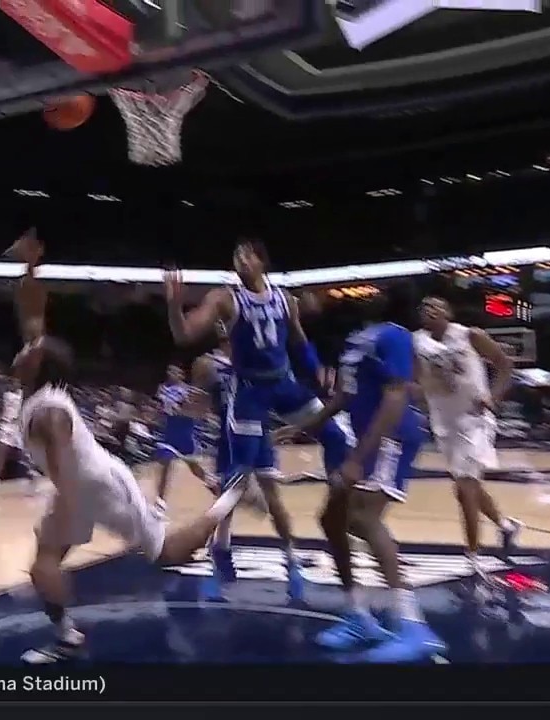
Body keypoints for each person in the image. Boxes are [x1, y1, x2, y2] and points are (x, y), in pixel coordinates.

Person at [6, 229, 254, 664]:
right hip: (74, 490)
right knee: (42, 564)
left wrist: (60, 501)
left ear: (39, 367)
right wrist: (30, 267)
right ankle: (68, 640)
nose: (21, 353)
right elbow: (32, 313)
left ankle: (228, 496)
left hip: (98, 485)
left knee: (164, 554)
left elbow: (64, 463)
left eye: (29, 352)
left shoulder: (48, 411)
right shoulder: (34, 385)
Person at [164, 239, 353, 598]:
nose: (239, 260)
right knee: (237, 478)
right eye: (234, 255)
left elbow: (299, 343)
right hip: (249, 394)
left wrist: (318, 376)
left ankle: (338, 513)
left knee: (335, 437)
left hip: (284, 384)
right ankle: (216, 551)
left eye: (246, 254)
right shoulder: (225, 298)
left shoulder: (285, 299)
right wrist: (174, 306)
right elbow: (184, 333)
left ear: (262, 261)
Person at [277, 283, 445, 662]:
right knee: (331, 520)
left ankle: (414, 626)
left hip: (391, 436)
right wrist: (308, 425)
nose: (372, 294)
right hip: (364, 437)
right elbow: (344, 396)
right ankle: (358, 616)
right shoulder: (357, 338)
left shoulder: (397, 336)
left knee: (363, 519)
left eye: (380, 293)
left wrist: (358, 458)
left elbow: (396, 396)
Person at [414, 296, 523, 573]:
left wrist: (493, 397)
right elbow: (415, 379)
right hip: (443, 422)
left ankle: (472, 557)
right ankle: (507, 526)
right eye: (425, 308)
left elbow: (505, 364)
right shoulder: (416, 343)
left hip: (474, 420)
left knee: (464, 490)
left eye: (436, 306)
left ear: (448, 312)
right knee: (469, 488)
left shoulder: (470, 335)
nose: (430, 310)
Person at [190, 323, 294, 600]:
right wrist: (193, 442)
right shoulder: (207, 364)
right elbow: (198, 404)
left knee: (273, 501)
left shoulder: (261, 357)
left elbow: (280, 393)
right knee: (227, 505)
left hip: (259, 435)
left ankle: (292, 563)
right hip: (229, 439)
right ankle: (220, 569)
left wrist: (290, 424)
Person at [152, 364, 212, 514]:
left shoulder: (189, 391)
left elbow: (197, 412)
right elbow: (160, 409)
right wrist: (160, 414)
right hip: (169, 433)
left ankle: (212, 482)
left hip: (185, 433)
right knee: (165, 467)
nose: (171, 373)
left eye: (175, 371)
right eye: (169, 370)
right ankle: (160, 502)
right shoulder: (163, 389)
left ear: (181, 375)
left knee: (194, 467)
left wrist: (181, 410)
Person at [0, 381, 30, 493]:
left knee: (23, 454)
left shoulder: (24, 394)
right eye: (12, 381)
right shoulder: (5, 395)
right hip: (6, 425)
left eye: (16, 381)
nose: (14, 383)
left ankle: (31, 473)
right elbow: (2, 411)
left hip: (18, 427)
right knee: (1, 452)